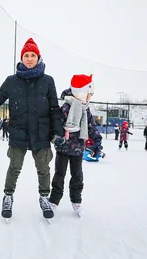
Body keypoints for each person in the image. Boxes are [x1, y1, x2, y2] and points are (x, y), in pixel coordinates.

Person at [0, 38, 65, 220]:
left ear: (38, 58)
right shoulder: (12, 81)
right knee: (14, 167)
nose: (30, 58)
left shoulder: (48, 81)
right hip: (18, 132)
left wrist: (57, 131)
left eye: (33, 55)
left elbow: (54, 109)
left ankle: (44, 197)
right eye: (26, 55)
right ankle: (8, 196)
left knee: (43, 168)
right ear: (21, 58)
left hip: (41, 133)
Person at [48, 75, 103, 216]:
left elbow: (91, 126)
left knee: (77, 175)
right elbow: (56, 125)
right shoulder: (66, 107)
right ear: (81, 92)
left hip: (78, 149)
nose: (89, 97)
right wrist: (57, 136)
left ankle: (76, 200)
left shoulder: (85, 109)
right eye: (89, 94)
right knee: (59, 175)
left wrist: (97, 140)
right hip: (63, 148)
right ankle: (54, 200)